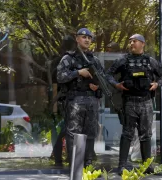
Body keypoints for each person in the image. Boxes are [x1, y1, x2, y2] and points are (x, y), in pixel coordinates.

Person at [104, 34, 162, 175]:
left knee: (146, 135)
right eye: (130, 41)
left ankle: (147, 166)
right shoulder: (123, 60)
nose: (131, 43)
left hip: (146, 102)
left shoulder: (151, 61)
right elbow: (108, 74)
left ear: (142, 44)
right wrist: (116, 85)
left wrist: (157, 84)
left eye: (135, 41)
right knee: (127, 134)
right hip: (129, 102)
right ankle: (122, 165)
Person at [56, 28, 106, 167]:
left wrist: (98, 86)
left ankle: (88, 164)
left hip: (92, 100)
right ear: (77, 39)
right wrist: (78, 72)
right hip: (75, 100)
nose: (87, 40)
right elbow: (60, 77)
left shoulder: (94, 60)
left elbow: (103, 78)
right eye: (83, 37)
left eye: (89, 38)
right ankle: (75, 166)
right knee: (73, 134)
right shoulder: (68, 58)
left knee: (91, 133)